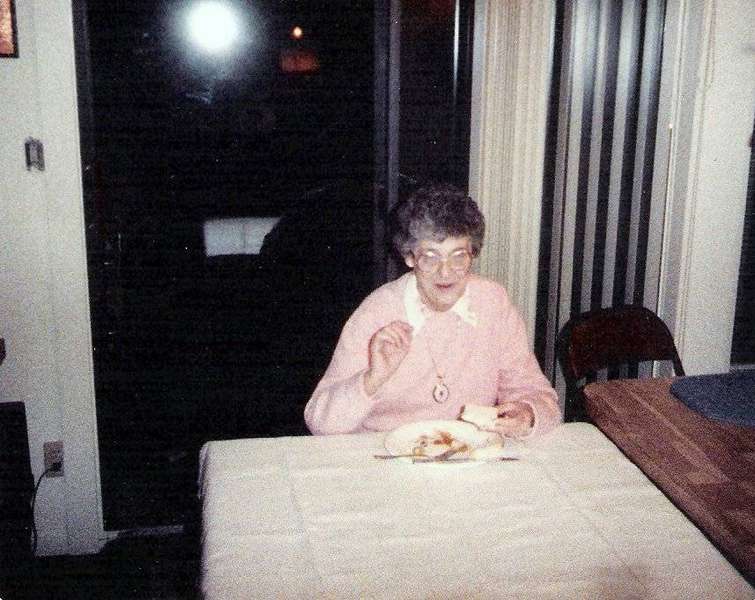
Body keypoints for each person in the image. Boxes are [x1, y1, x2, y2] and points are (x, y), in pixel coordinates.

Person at [304, 183, 561, 438]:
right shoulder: (377, 313)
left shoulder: (492, 302)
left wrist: (527, 414)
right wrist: (373, 378)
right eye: (430, 256)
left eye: (458, 256)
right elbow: (319, 422)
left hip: (465, 453)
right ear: (410, 257)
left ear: (473, 254)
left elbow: (536, 393)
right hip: (382, 454)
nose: (445, 272)